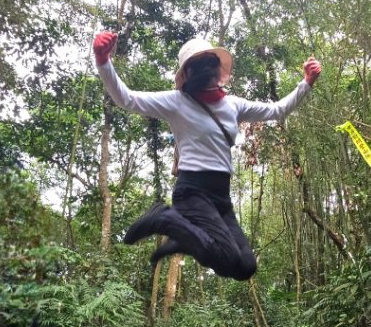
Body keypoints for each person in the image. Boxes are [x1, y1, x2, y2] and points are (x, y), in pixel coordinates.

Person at [94, 32, 321, 281]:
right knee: (226, 254)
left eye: (208, 62)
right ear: (187, 74)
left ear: (216, 68)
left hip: (221, 197)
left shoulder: (234, 105)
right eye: (195, 64)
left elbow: (277, 111)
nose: (204, 68)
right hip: (192, 192)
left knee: (245, 266)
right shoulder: (177, 102)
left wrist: (306, 82)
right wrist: (103, 60)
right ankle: (164, 218)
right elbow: (126, 98)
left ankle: (183, 240)